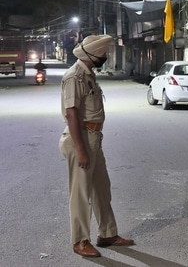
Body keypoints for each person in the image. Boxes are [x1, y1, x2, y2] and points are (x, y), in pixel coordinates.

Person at [59, 35, 135, 258]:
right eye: (103, 54)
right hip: (79, 140)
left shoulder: (88, 74)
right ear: (93, 55)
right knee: (81, 193)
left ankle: (108, 234)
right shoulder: (75, 76)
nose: (104, 57)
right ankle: (80, 241)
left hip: (93, 138)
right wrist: (81, 149)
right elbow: (71, 114)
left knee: (101, 188)